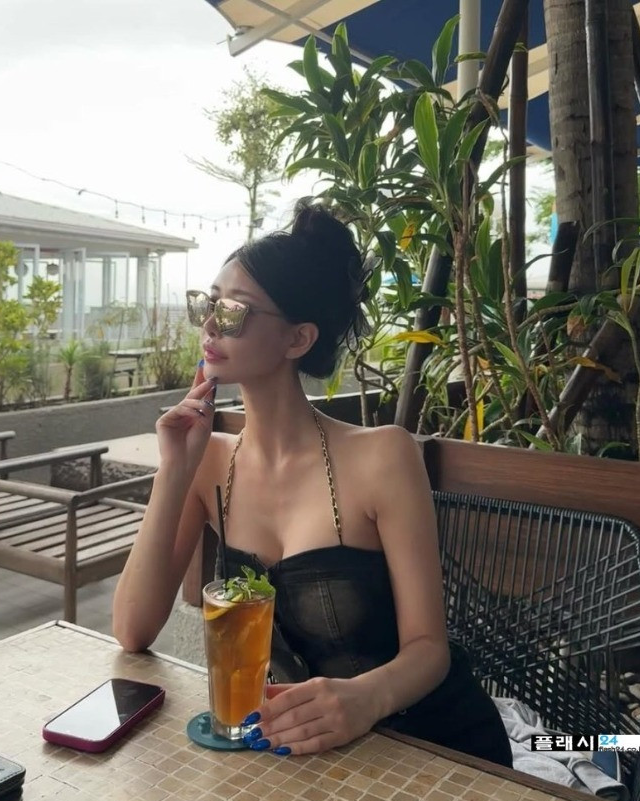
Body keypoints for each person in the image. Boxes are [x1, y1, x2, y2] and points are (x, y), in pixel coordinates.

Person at [113, 199, 512, 767]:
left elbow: (430, 650)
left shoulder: (383, 456)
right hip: (313, 759)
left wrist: (365, 698)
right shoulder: (207, 461)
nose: (210, 325)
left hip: (431, 745)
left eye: (234, 310)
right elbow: (132, 630)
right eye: (209, 303)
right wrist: (174, 471)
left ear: (297, 339)